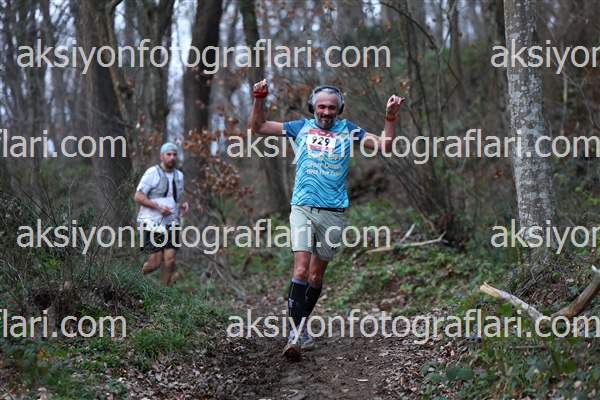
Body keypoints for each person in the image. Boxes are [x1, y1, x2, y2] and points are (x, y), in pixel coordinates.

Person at [250, 80, 405, 359]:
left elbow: (385, 146)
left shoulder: (349, 130)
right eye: (321, 106)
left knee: (315, 276)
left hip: (333, 213)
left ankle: (302, 325)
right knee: (300, 271)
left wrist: (390, 117)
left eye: (332, 108)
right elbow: (259, 127)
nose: (326, 112)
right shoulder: (300, 127)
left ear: (339, 109)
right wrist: (259, 98)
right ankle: (295, 335)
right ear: (313, 107)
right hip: (302, 207)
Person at [134, 142, 189, 286]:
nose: (172, 157)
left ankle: (162, 292)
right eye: (168, 154)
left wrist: (183, 204)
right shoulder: (152, 173)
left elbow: (176, 198)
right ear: (162, 156)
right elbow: (138, 196)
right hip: (151, 223)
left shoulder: (179, 176)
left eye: (174, 154)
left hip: (172, 223)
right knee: (155, 263)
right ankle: (131, 280)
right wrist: (158, 208)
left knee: (170, 262)